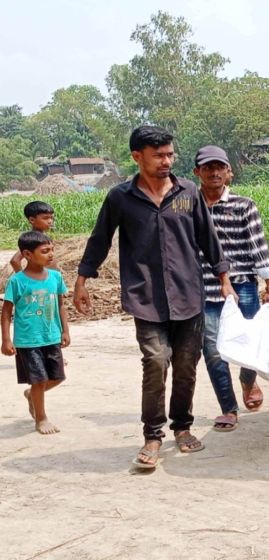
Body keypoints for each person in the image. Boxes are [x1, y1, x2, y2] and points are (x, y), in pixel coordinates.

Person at [74, 126, 234, 469]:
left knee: (187, 366)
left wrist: (224, 278)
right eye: (159, 155)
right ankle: (152, 434)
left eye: (170, 155)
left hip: (188, 294)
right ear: (137, 156)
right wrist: (82, 279)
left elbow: (208, 238)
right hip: (145, 296)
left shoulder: (188, 193)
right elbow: (100, 238)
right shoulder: (120, 197)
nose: (166, 161)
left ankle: (183, 426)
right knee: (156, 361)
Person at [195, 145, 269, 431]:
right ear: (197, 172)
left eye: (219, 167)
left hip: (242, 284)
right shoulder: (189, 206)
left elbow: (258, 245)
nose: (214, 172)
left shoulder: (244, 205)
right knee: (213, 350)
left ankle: (247, 379)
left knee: (249, 342)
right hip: (204, 289)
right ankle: (228, 409)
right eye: (208, 168)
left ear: (228, 171)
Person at [2, 231, 69, 435]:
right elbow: (6, 312)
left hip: (51, 336)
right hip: (27, 340)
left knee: (58, 377)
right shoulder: (17, 281)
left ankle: (32, 394)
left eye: (52, 250)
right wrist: (6, 340)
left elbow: (61, 305)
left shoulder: (56, 277)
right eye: (45, 251)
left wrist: (65, 331)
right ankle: (41, 418)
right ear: (28, 255)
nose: (51, 254)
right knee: (38, 380)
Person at [9, 201, 56, 273]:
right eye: (45, 218)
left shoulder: (43, 237)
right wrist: (22, 277)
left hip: (52, 277)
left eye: (51, 218)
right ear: (32, 220)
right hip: (43, 278)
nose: (50, 221)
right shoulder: (33, 240)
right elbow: (15, 260)